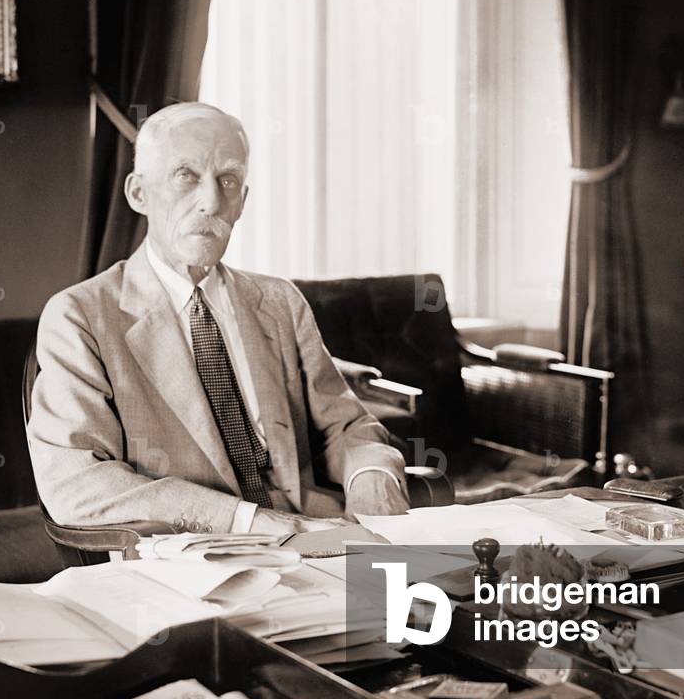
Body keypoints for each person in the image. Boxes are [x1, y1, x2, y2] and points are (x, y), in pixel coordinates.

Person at [27, 102, 409, 536]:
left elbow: (346, 427)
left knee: (456, 589)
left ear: (242, 202)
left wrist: (372, 476)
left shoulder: (279, 301)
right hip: (186, 557)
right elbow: (76, 482)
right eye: (186, 175)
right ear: (139, 194)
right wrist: (247, 521)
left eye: (228, 180)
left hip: (317, 537)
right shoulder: (80, 316)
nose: (211, 201)